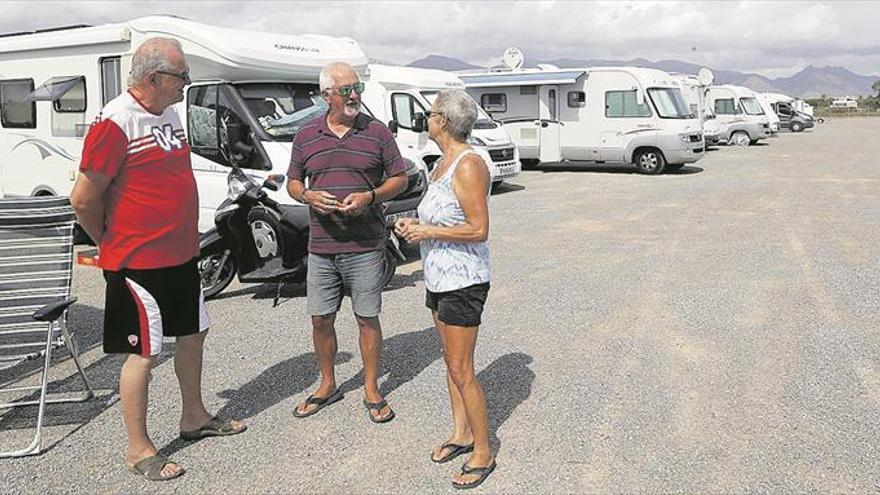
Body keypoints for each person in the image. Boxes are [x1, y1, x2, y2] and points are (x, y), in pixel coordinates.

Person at [70, 38, 245, 482]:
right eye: (181, 75)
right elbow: (83, 198)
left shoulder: (167, 113)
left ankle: (194, 417)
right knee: (143, 354)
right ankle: (139, 450)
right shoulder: (116, 122)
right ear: (154, 78)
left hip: (181, 254)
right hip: (138, 261)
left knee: (195, 331)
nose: (187, 83)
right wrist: (108, 242)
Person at [287, 62, 408, 423]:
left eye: (357, 88)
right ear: (327, 95)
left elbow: (399, 179)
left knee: (366, 318)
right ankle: (328, 384)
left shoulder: (378, 133)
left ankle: (372, 388)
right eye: (346, 90)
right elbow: (293, 182)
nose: (354, 95)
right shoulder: (306, 134)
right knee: (321, 319)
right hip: (322, 248)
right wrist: (307, 197)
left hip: (367, 246)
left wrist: (370, 196)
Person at [394, 89, 495, 489]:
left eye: (432, 112)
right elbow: (441, 218)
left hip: (463, 281)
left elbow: (479, 228)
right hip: (439, 277)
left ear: (446, 122)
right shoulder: (441, 165)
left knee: (461, 367)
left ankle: (483, 451)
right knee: (450, 362)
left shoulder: (469, 165)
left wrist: (427, 230)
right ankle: (461, 433)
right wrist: (412, 226)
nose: (427, 118)